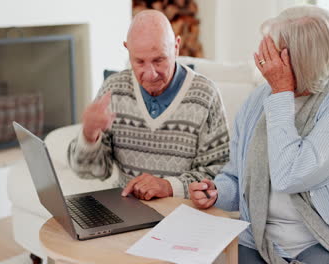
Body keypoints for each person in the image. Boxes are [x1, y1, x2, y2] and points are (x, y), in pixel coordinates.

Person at [189, 5, 329, 264]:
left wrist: (282, 93)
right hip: (257, 239)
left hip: (321, 241)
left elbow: (289, 176)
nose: (263, 59)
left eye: (273, 52)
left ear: (300, 59)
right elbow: (236, 176)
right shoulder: (258, 99)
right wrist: (217, 191)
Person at [67, 10, 229, 200]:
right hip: (127, 208)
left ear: (176, 47)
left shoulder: (205, 94)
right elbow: (90, 172)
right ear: (128, 50)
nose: (150, 74)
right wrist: (89, 135)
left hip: (181, 211)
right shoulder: (114, 89)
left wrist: (169, 186)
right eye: (140, 62)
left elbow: (220, 173)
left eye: (159, 60)